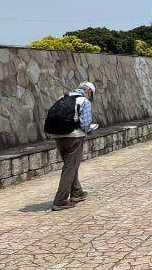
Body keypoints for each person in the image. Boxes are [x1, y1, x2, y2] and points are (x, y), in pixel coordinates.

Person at [48, 82, 97, 211]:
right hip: (74, 137)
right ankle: (60, 200)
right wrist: (90, 129)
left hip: (58, 136)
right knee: (70, 166)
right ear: (89, 92)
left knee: (71, 164)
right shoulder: (84, 101)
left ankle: (77, 192)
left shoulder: (62, 98)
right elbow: (85, 124)